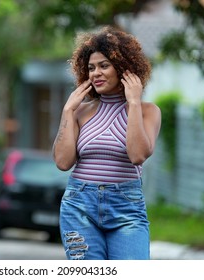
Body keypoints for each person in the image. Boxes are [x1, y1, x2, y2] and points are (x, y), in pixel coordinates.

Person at [52, 25, 161, 260]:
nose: (96, 73)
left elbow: (137, 155)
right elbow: (62, 162)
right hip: (79, 206)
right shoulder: (80, 111)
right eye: (91, 68)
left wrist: (132, 102)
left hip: (126, 208)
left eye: (104, 66)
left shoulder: (147, 111)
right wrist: (68, 110)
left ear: (123, 68)